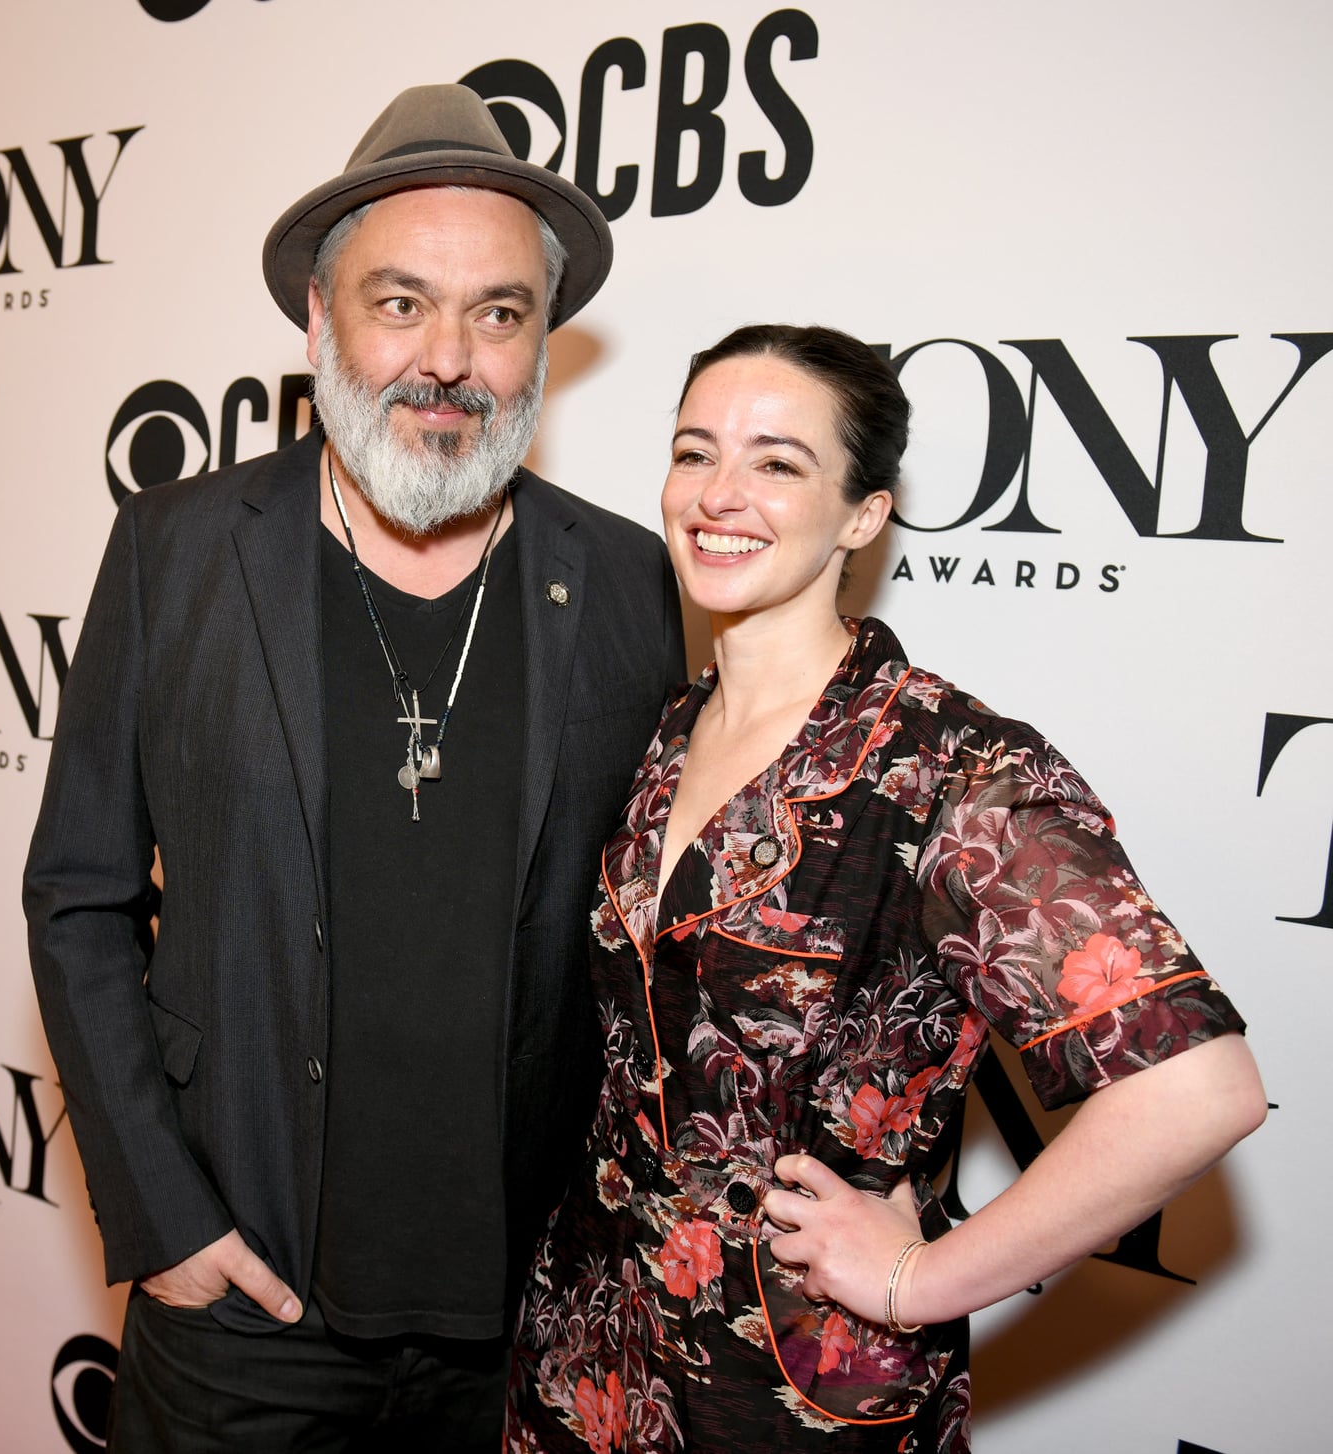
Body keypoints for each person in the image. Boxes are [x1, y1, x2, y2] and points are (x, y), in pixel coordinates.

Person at [23, 85, 686, 1450]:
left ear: (541, 345)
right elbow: (79, 895)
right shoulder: (178, 550)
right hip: (245, 1307)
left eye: (499, 313)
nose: (448, 357)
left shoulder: (624, 578)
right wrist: (165, 1213)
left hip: (523, 1314)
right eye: (401, 303)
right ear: (320, 322)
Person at [505, 324, 1266, 1452]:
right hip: (581, 1358)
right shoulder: (664, 728)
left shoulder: (950, 771)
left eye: (776, 462)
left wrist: (922, 1276)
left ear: (862, 514)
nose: (718, 494)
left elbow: (1197, 1090)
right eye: (693, 450)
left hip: (793, 1394)